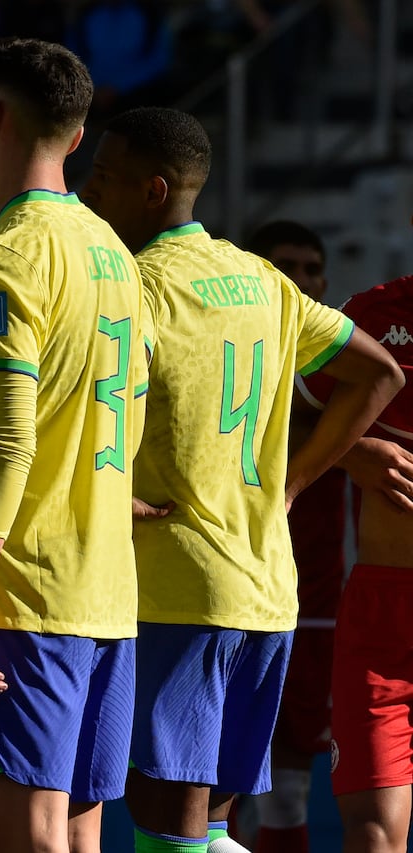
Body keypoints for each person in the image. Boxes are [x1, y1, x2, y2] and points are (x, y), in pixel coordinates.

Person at [78, 106, 402, 853]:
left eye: (104, 176)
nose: (89, 193)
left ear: (153, 189)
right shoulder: (260, 279)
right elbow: (376, 374)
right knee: (210, 825)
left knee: (167, 829)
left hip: (178, 587)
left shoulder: (138, 286)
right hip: (263, 590)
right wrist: (289, 487)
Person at [0, 37, 147, 853]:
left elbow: (5, 433)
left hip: (27, 595)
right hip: (107, 594)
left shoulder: (3, 256)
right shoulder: (114, 252)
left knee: (29, 835)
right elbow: (123, 401)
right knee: (79, 835)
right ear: (75, 136)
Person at [296, 233, 413, 853]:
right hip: (382, 611)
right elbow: (276, 410)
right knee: (370, 833)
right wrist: (354, 450)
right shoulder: (372, 315)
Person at [244, 221, 344, 853]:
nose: (301, 280)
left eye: (311, 270)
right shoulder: (235, 362)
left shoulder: (347, 375)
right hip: (231, 592)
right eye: (285, 266)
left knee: (285, 794)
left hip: (321, 610)